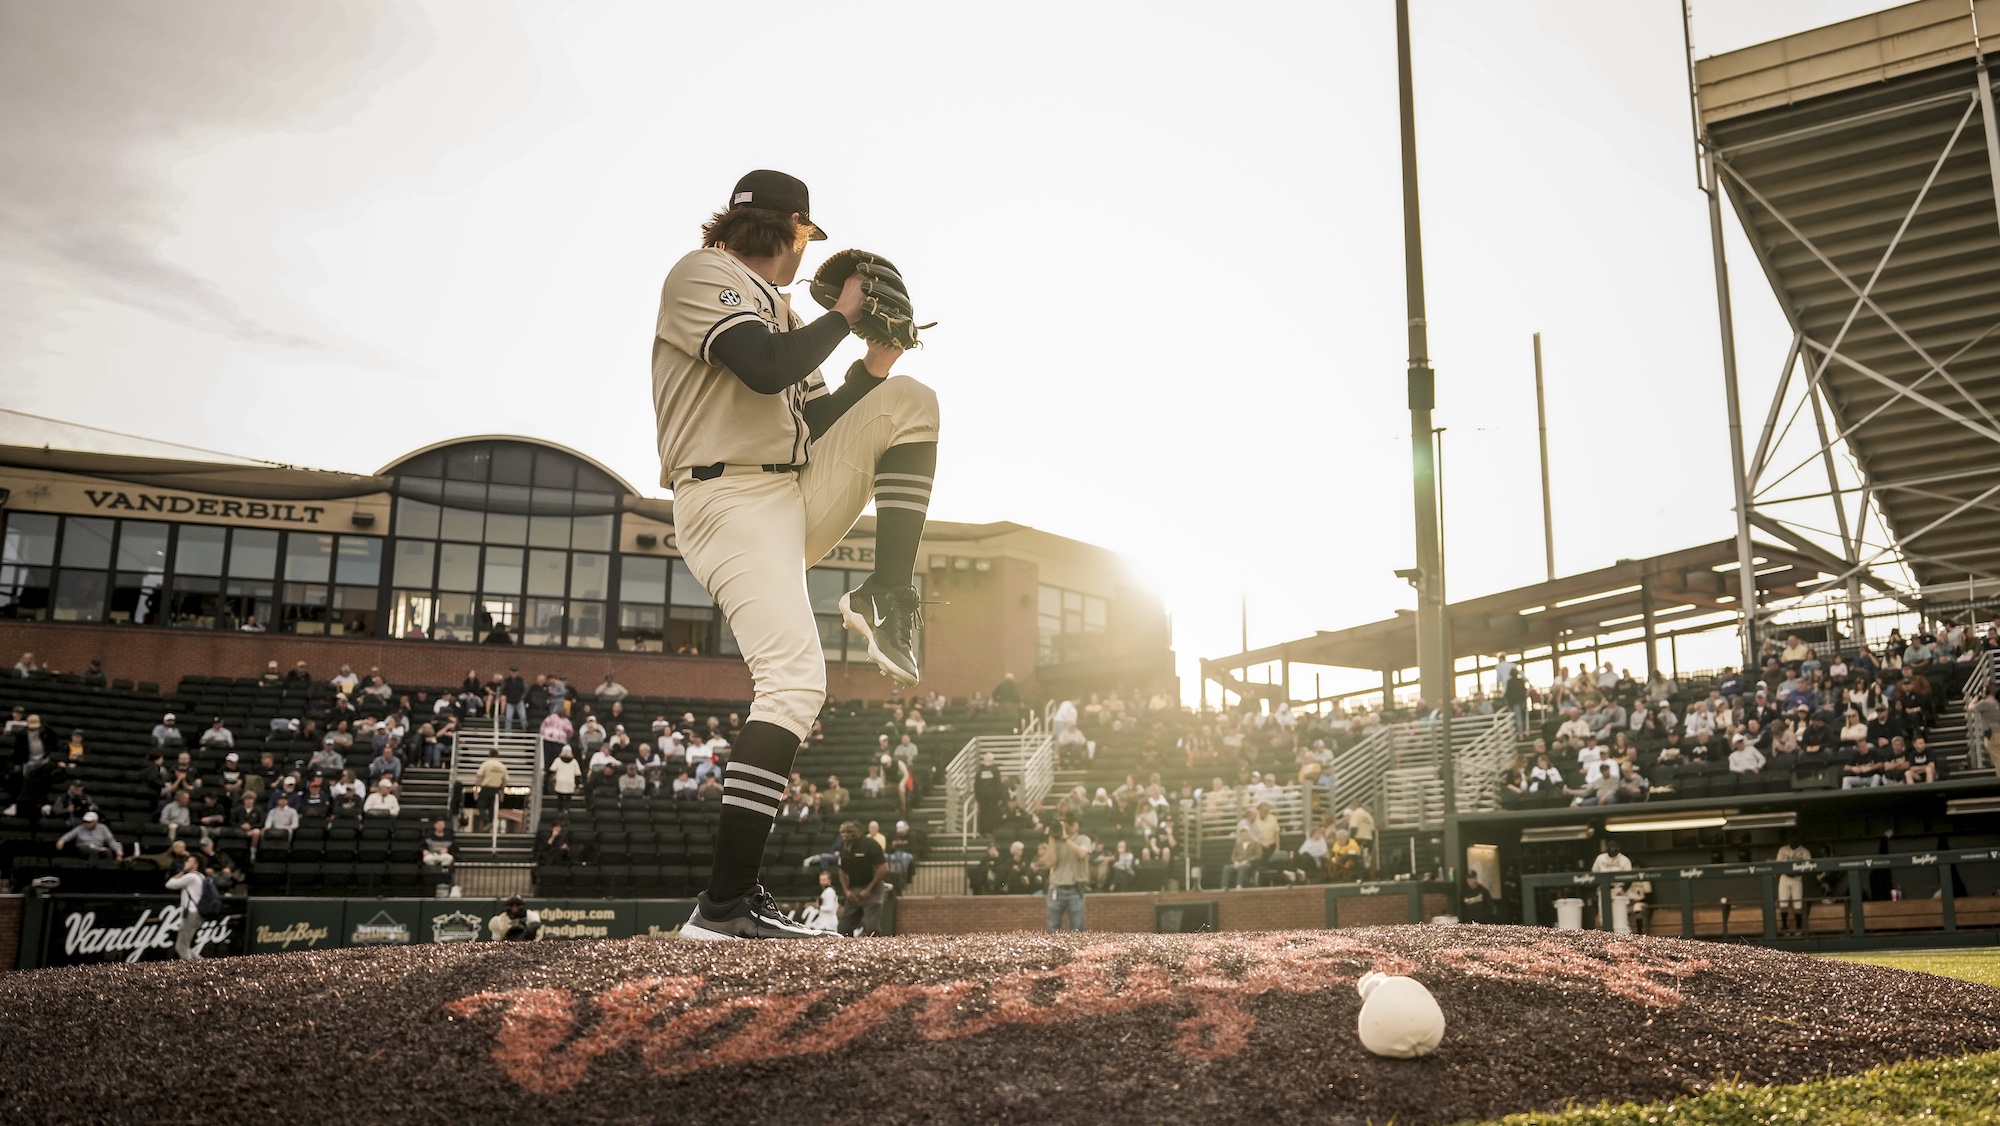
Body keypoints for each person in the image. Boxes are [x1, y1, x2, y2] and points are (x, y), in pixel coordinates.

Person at [661, 171, 941, 942]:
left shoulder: (786, 309)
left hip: (790, 493)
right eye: (801, 240)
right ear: (789, 231)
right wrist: (848, 314)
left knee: (912, 401)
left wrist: (872, 366)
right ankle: (721, 907)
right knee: (791, 683)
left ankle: (885, 594)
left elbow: (811, 417)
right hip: (726, 501)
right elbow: (761, 366)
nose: (800, 258)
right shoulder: (702, 273)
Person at [834, 820, 891, 937]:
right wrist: (846, 891)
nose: (845, 835)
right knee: (843, 928)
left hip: (872, 890)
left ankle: (876, 953)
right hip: (853, 890)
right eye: (843, 832)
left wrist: (869, 889)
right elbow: (841, 870)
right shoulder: (844, 847)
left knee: (871, 928)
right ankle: (847, 953)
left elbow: (883, 868)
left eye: (849, 832)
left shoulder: (871, 845)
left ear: (859, 832)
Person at [1041, 813, 1092, 932]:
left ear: (1076, 825)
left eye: (1068, 824)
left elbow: (1081, 854)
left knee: (1077, 928)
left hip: (1075, 890)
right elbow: (1050, 862)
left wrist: (1066, 839)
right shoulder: (1057, 841)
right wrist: (1051, 838)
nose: (1066, 827)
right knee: (1053, 928)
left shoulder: (1083, 839)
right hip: (1056, 889)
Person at [166, 855, 207, 961]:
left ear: (196, 865)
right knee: (186, 946)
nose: (186, 863)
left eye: (189, 861)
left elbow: (170, 884)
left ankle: (190, 972)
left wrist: (182, 872)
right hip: (198, 914)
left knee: (181, 947)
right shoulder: (201, 876)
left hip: (191, 914)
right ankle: (205, 966)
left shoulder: (191, 877)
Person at [1776, 832, 1811, 935]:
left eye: (1793, 836)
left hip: (1797, 878)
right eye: (1789, 836)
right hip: (1784, 878)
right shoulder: (1782, 850)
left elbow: (1809, 866)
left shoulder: (1804, 851)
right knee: (1783, 902)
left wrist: (1796, 871)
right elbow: (1777, 865)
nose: (1791, 838)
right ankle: (1785, 927)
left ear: (1797, 837)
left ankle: (1799, 927)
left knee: (1797, 903)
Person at [54, 811, 120, 859]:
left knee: (107, 852)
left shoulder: (102, 828)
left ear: (95, 822)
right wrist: (61, 840)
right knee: (93, 852)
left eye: (89, 822)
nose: (86, 823)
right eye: (85, 821)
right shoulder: (80, 828)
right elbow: (69, 835)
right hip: (84, 847)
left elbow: (110, 840)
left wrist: (117, 849)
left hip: (98, 847)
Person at [1220, 826, 1261, 890]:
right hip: (1238, 863)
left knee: (1243, 867)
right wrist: (1235, 862)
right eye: (1242, 833)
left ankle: (1239, 885)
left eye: (1245, 833)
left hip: (1250, 864)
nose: (1244, 835)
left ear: (1249, 834)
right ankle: (1224, 886)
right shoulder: (1238, 844)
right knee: (1226, 868)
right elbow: (1233, 856)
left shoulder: (1255, 843)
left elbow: (1258, 855)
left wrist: (1247, 861)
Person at [548, 747, 583, 812]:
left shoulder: (558, 760)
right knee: (568, 798)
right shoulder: (574, 761)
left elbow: (552, 769)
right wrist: (577, 785)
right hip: (570, 782)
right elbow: (577, 774)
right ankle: (566, 809)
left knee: (560, 797)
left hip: (560, 782)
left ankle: (560, 810)